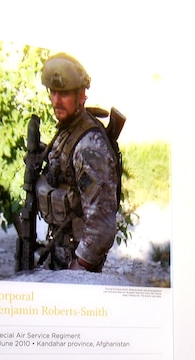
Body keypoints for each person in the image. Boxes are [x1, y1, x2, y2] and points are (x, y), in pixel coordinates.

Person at [35, 52, 119, 272]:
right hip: (60, 250)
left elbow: (102, 224)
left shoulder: (89, 146)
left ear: (81, 95)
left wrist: (80, 266)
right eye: (53, 92)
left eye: (63, 94)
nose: (56, 101)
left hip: (76, 262)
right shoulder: (69, 129)